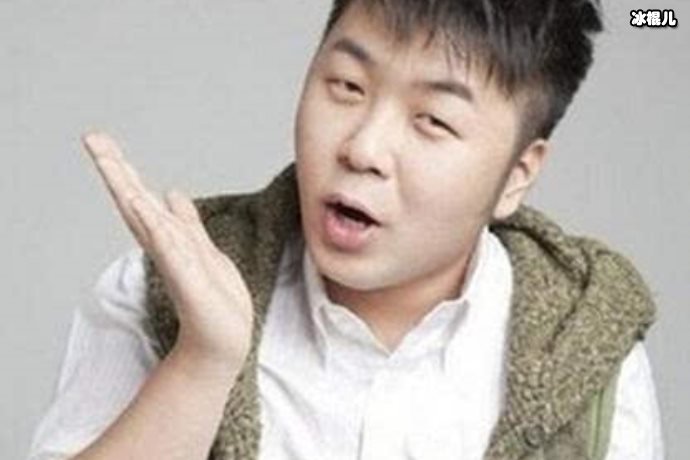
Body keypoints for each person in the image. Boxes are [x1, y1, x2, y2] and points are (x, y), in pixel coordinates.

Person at [28, 0, 664, 459]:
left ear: (516, 177)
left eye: (433, 121)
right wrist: (202, 362)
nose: (363, 147)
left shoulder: (588, 353)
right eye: (347, 85)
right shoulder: (166, 287)